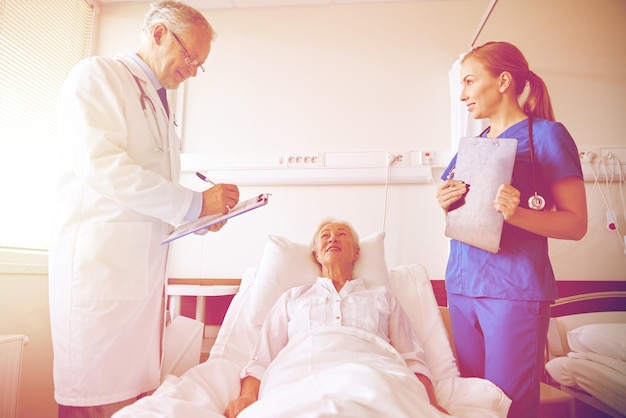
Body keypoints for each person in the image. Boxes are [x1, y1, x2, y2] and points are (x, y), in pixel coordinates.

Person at [49, 2, 240, 417]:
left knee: (133, 406)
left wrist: (201, 217)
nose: (192, 71)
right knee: (92, 404)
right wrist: (192, 202)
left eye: (199, 64)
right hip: (99, 277)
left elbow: (152, 198)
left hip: (138, 283)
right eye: (190, 56)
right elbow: (102, 167)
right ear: (157, 33)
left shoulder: (158, 104)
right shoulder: (97, 76)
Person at [436, 41, 587, 418]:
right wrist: (446, 202)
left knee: (510, 407)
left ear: (503, 81)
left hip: (513, 291)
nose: (463, 95)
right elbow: (466, 220)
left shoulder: (548, 137)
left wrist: (517, 213)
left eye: (469, 81)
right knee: (472, 403)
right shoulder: (473, 145)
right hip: (463, 286)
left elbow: (576, 223)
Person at [224, 219, 449, 417]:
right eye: (325, 236)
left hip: (373, 373)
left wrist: (430, 404)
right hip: (301, 373)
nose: (333, 239)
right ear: (316, 254)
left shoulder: (383, 296)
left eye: (342, 234)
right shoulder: (292, 298)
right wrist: (247, 397)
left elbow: (412, 357)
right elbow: (263, 358)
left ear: (356, 252)